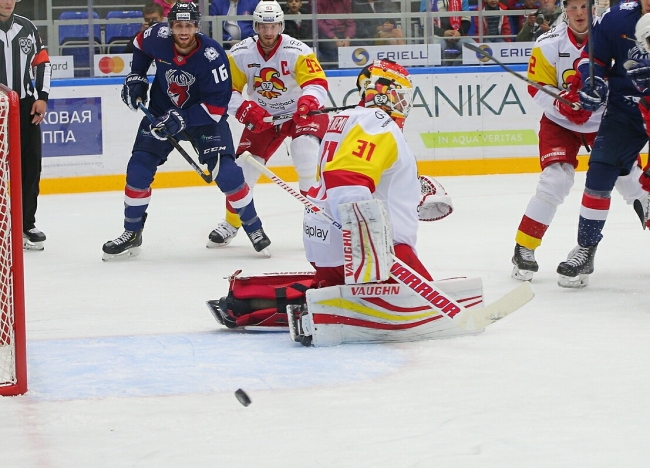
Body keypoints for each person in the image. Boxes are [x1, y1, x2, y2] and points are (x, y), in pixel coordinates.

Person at [102, 2, 269, 260]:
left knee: (227, 174)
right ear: (170, 27)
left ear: (196, 27)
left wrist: (183, 118)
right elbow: (139, 46)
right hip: (161, 111)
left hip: (203, 120)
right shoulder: (157, 36)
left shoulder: (213, 57)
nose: (183, 31)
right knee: (138, 168)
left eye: (188, 25)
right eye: (178, 25)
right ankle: (132, 232)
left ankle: (253, 227)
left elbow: (216, 107)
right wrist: (136, 76)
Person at [511, 0, 647, 281]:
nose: (578, 13)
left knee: (633, 183)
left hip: (606, 120)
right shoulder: (548, 43)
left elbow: (620, 77)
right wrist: (562, 104)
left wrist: (601, 95)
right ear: (564, 10)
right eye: (572, 7)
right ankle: (524, 247)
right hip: (561, 123)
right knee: (555, 180)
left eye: (583, 7)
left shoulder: (608, 27)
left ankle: (584, 251)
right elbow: (537, 87)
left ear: (593, 9)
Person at [206, 0, 329, 249]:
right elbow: (226, 90)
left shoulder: (298, 51)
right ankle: (232, 222)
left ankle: (315, 219)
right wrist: (245, 108)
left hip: (301, 113)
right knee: (243, 169)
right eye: (263, 26)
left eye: (273, 26)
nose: (268, 32)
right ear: (256, 26)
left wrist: (307, 102)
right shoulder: (240, 53)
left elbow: (317, 83)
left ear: (281, 25)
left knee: (305, 151)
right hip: (264, 116)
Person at [554, 2, 650, 288]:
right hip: (626, 110)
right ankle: (585, 248)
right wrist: (592, 81)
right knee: (600, 172)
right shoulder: (615, 18)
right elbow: (592, 59)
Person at [0, 0, 51, 251]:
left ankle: (25, 224)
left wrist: (42, 97)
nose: (8, 2)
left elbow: (42, 62)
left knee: (30, 166)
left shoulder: (26, 27)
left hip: (24, 107)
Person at [420, 0, 475, 65]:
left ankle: (456, 68)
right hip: (436, 34)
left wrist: (459, 32)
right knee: (434, 47)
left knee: (474, 48)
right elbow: (425, 23)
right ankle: (442, 70)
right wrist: (443, 33)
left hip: (457, 34)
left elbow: (466, 20)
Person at [317, 0, 356, 68]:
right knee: (332, 49)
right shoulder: (318, 1)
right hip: (326, 35)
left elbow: (351, 21)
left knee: (360, 44)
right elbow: (320, 23)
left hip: (344, 34)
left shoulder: (347, 1)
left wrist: (348, 37)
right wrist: (334, 38)